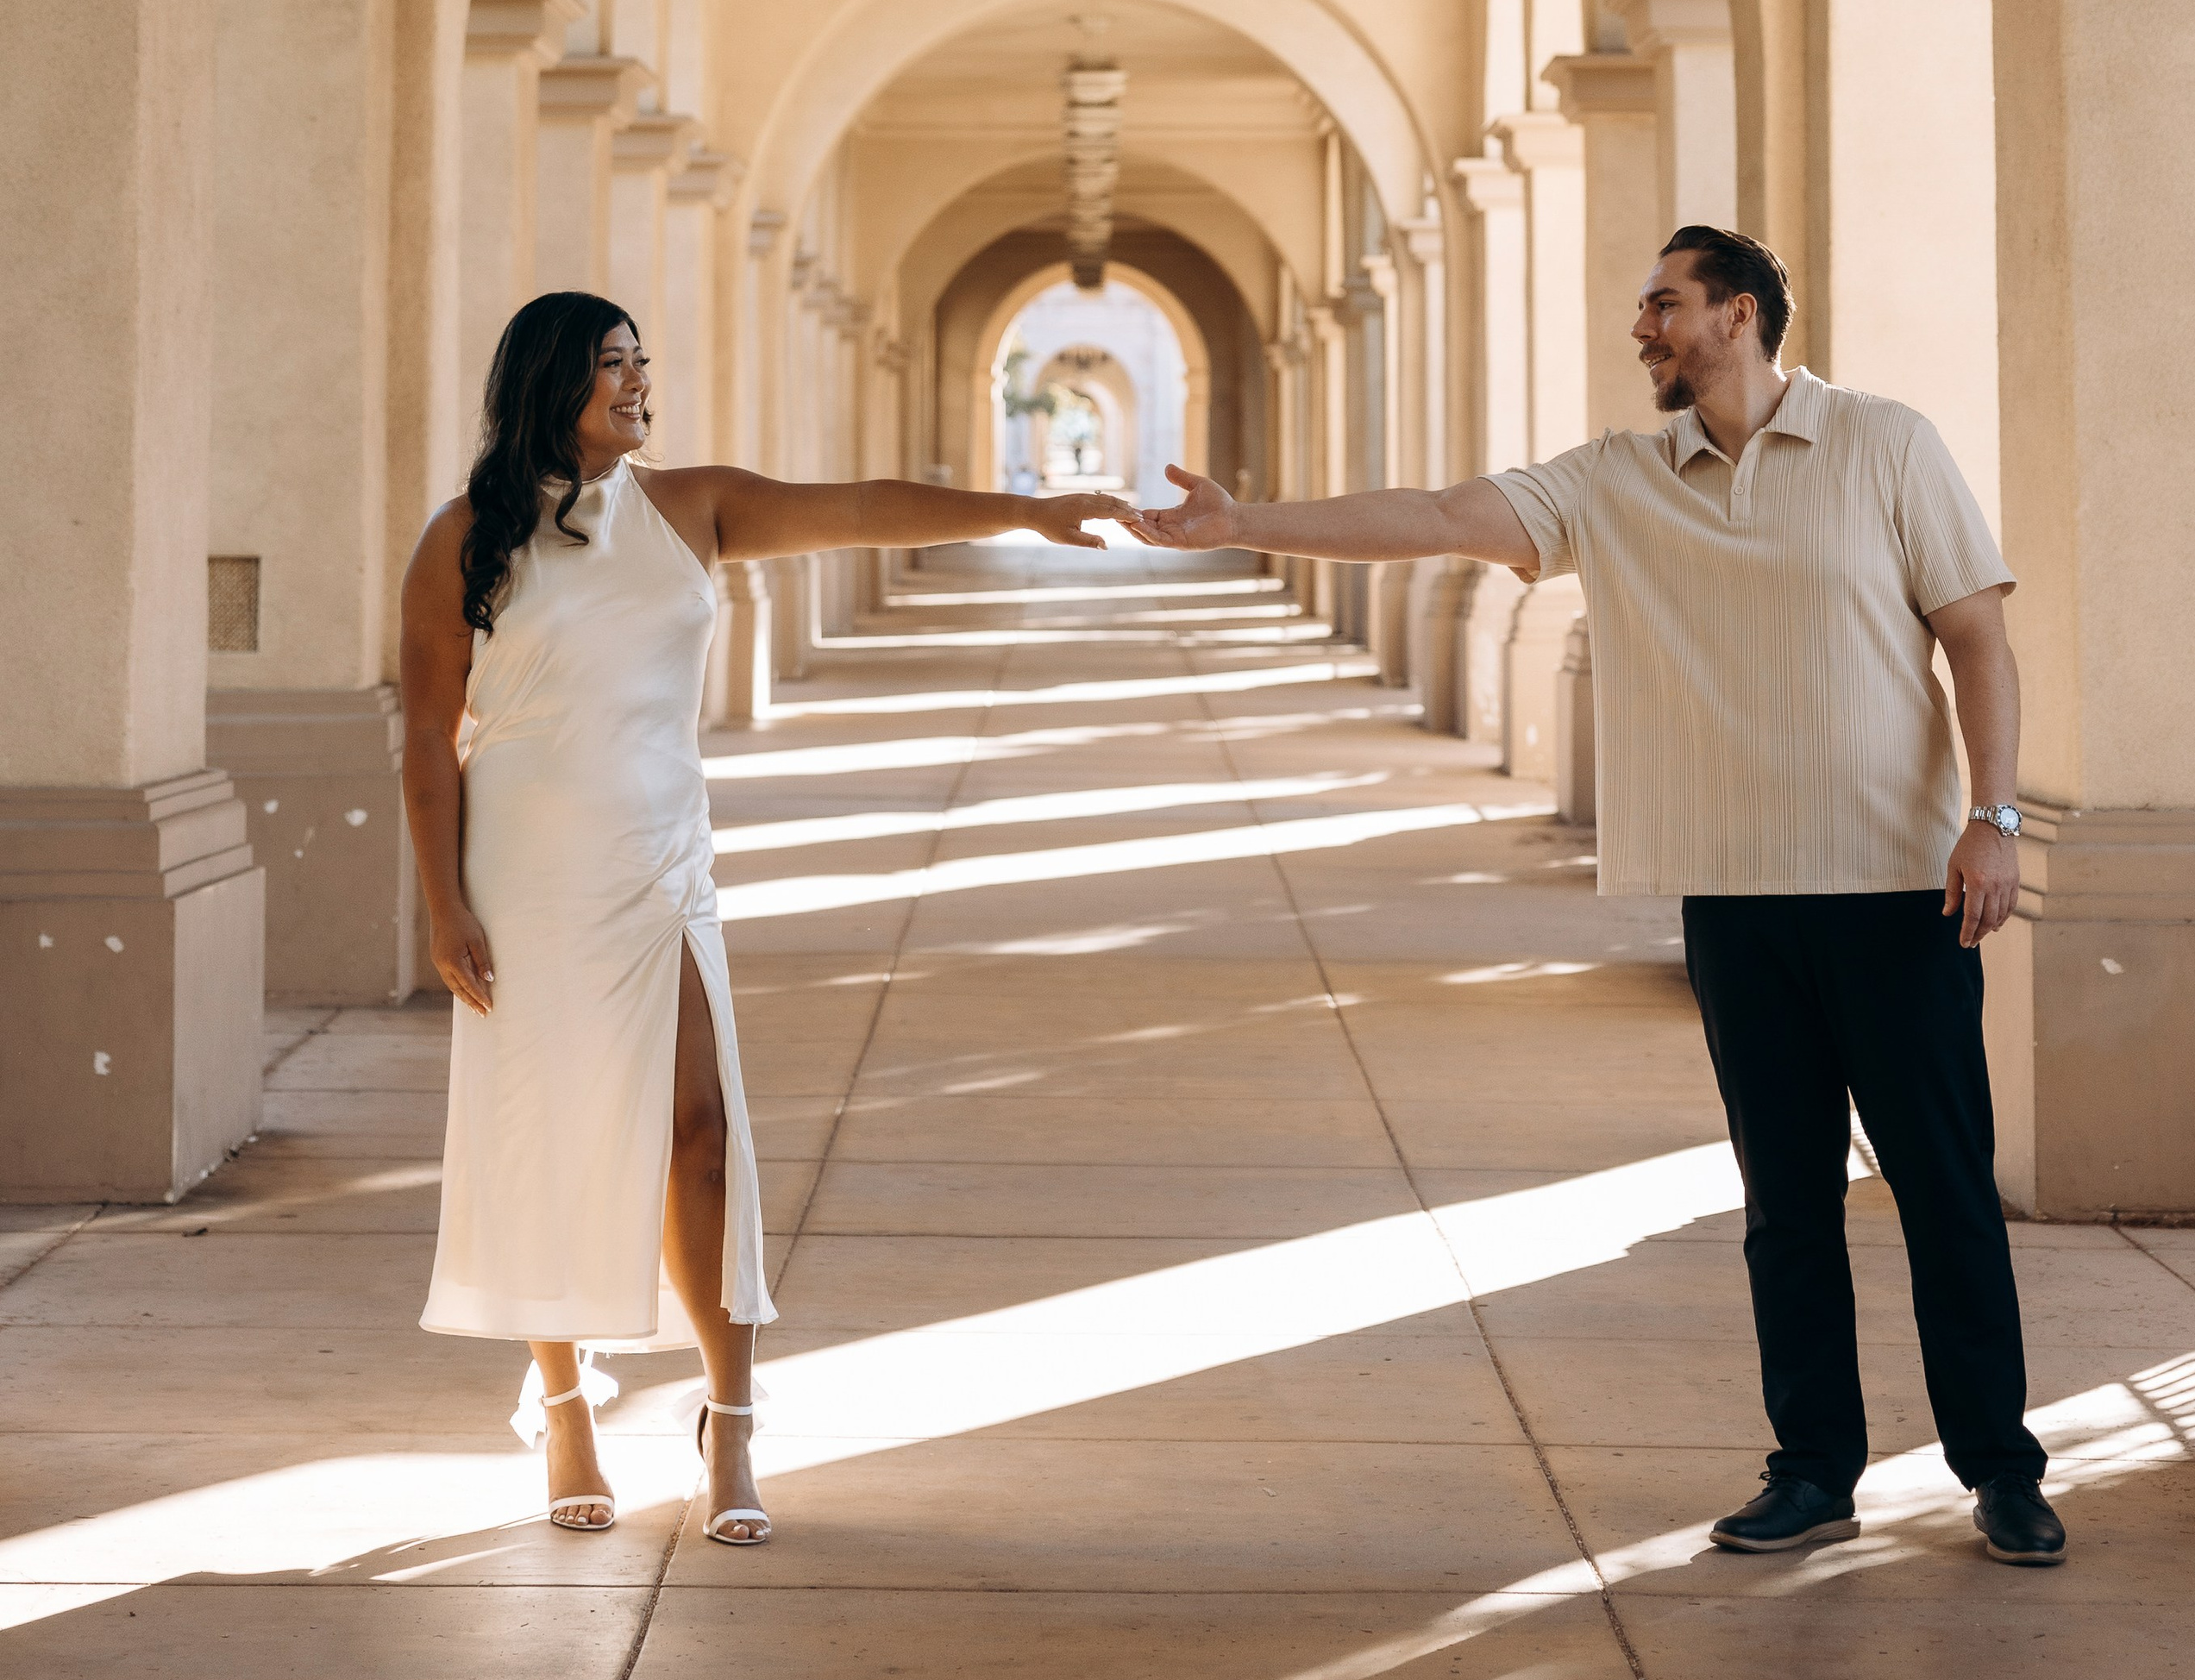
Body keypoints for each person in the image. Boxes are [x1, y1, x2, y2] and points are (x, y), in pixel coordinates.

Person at [1130, 224, 2065, 1568]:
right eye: (1645, 307)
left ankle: (2003, 1469)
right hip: (1737, 906)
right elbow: (1451, 520)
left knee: (1945, 1196)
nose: (1644, 328)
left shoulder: (1885, 443)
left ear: (1739, 315)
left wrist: (1994, 816)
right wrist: (1245, 526)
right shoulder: (1619, 480)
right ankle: (1813, 1469)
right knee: (1785, 1207)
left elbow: (1975, 633)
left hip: (1897, 895)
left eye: (1664, 304)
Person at [402, 289, 1119, 1543]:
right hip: (523, 865)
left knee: (702, 1131)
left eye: (641, 360)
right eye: (609, 366)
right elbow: (421, 730)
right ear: (547, 383)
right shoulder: (465, 537)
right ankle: (565, 1404)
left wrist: (1023, 510)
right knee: (547, 1135)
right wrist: (441, 898)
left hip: (663, 855)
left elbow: (856, 508)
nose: (636, 383)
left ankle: (728, 1425)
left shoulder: (696, 504)